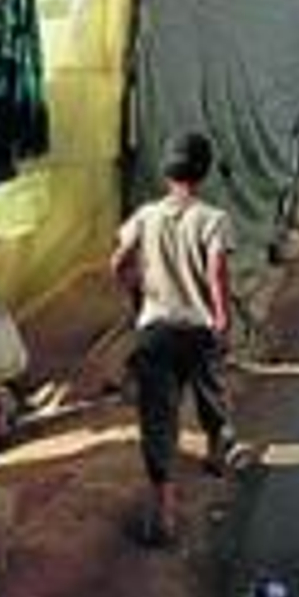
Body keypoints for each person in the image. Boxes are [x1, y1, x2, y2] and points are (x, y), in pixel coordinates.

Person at [110, 131, 241, 545]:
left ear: (167, 172)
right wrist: (222, 318)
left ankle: (164, 509)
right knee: (210, 394)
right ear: (202, 172)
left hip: (156, 331)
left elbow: (117, 261)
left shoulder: (146, 215)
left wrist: (137, 294)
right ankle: (216, 453)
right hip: (198, 331)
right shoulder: (213, 219)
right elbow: (217, 273)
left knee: (158, 417)